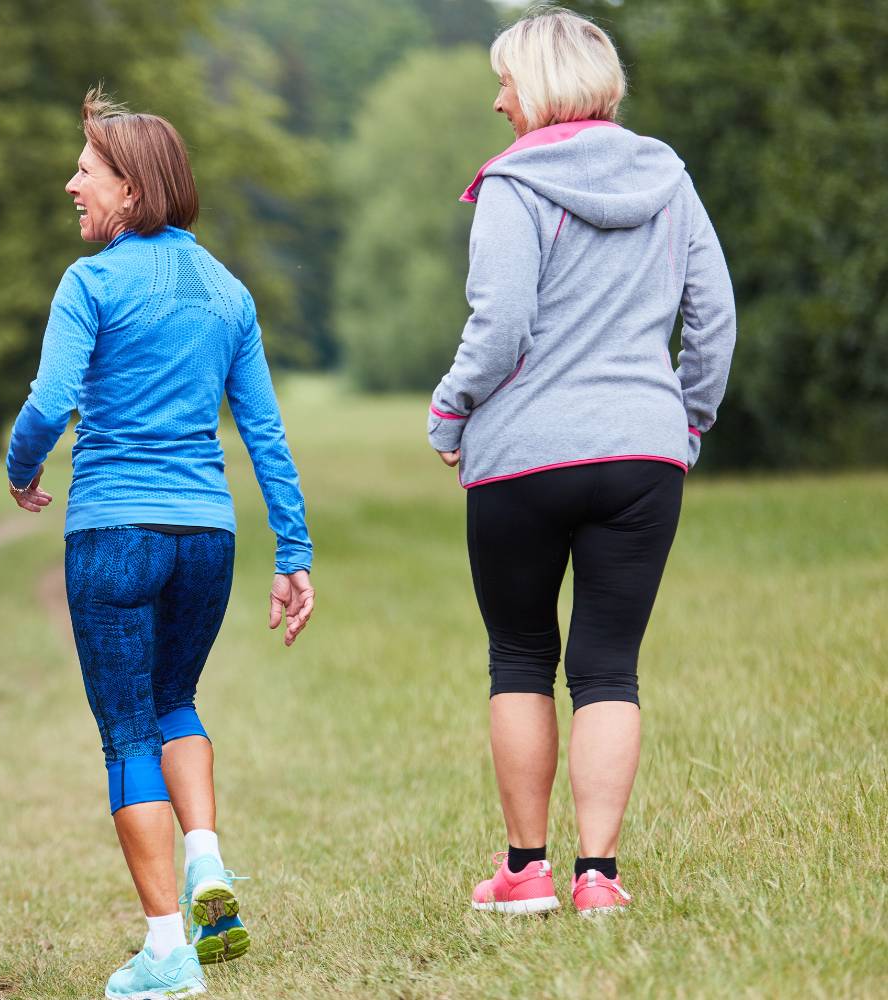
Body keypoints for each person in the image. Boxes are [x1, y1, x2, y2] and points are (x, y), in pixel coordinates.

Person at [4, 88, 315, 999]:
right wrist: (291, 550)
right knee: (177, 697)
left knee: (127, 732)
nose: (73, 185)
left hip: (114, 532)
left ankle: (168, 952)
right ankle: (207, 861)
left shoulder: (90, 282)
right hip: (206, 538)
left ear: (132, 191)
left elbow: (51, 400)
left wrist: (22, 469)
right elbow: (264, 433)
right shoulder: (229, 290)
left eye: (87, 172)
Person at [428, 8, 736, 917]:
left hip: (523, 458)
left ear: (544, 86)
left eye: (507, 82)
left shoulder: (513, 186)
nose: (497, 100)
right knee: (609, 668)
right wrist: (683, 428)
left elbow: (501, 326)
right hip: (641, 454)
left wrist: (449, 412)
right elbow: (712, 321)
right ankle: (598, 880)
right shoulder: (669, 179)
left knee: (521, 654)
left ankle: (525, 872)